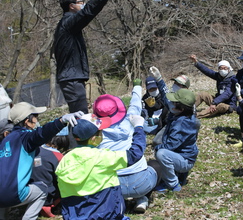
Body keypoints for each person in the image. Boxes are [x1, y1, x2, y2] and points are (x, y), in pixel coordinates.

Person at [0, 102, 82, 220]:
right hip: (13, 194)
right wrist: (61, 121)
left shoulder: (6, 140)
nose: (37, 120)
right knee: (42, 189)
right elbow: (42, 133)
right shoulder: (25, 137)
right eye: (35, 117)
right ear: (27, 121)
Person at [55, 113, 146, 219]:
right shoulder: (102, 157)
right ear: (93, 138)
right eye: (101, 132)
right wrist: (138, 127)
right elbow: (135, 154)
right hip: (107, 215)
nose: (102, 134)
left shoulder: (65, 160)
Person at [52, 0, 119, 114]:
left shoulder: (67, 24)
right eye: (81, 1)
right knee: (81, 118)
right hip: (72, 78)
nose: (83, 4)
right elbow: (89, 11)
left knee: (78, 116)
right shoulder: (69, 23)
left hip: (72, 77)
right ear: (71, 6)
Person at [93, 79, 160, 213]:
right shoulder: (131, 119)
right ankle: (142, 198)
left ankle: (119, 201)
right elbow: (135, 104)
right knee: (156, 165)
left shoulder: (94, 132)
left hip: (114, 186)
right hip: (142, 183)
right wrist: (136, 87)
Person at [149, 66, 200, 192]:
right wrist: (159, 79)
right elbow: (167, 97)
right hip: (184, 153)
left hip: (185, 159)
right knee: (162, 148)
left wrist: (157, 149)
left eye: (173, 103)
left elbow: (171, 144)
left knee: (161, 153)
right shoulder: (178, 111)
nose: (170, 104)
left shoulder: (182, 124)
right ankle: (179, 175)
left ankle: (173, 184)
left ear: (181, 108)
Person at [30, 129, 70, 218]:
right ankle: (50, 204)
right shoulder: (58, 156)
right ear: (63, 140)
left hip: (30, 190)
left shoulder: (33, 149)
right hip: (49, 194)